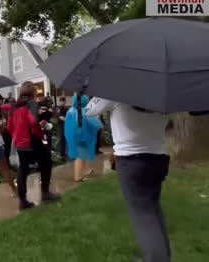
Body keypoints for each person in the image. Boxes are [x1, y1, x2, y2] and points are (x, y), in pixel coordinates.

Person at [85, 97, 170, 262]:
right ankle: (163, 257)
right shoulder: (161, 87)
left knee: (144, 217)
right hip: (158, 158)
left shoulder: (116, 88)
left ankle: (156, 258)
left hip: (132, 160)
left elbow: (88, 111)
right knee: (153, 212)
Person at [7, 81, 61, 210]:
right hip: (32, 140)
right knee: (46, 162)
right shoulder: (32, 104)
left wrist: (16, 136)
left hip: (19, 142)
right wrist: (41, 133)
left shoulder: (14, 106)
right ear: (33, 92)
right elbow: (32, 122)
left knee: (23, 169)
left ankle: (23, 201)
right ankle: (45, 193)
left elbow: (9, 126)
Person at [64, 93, 102, 182]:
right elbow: (94, 124)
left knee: (83, 155)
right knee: (80, 156)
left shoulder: (70, 111)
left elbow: (68, 123)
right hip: (82, 137)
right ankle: (77, 177)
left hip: (75, 136)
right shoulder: (84, 112)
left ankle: (85, 171)